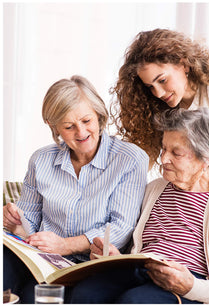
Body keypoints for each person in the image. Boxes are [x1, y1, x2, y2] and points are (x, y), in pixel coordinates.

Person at [69, 108, 209, 304]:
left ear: (207, 157)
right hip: (139, 271)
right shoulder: (154, 189)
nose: (163, 159)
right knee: (84, 293)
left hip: (186, 283)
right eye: (164, 148)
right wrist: (115, 256)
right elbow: (135, 247)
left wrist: (190, 286)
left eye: (176, 153)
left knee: (134, 302)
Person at [3, 76, 148, 303]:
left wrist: (65, 245)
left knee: (78, 296)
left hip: (95, 264)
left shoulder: (129, 159)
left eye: (86, 120)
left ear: (99, 114)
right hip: (46, 263)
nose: (81, 132)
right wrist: (15, 223)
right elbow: (29, 224)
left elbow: (121, 227)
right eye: (69, 126)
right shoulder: (40, 160)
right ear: (55, 128)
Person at [111, 28, 209, 197]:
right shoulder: (160, 107)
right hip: (192, 198)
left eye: (162, 80)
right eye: (150, 87)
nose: (158, 93)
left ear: (184, 64)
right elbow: (144, 161)